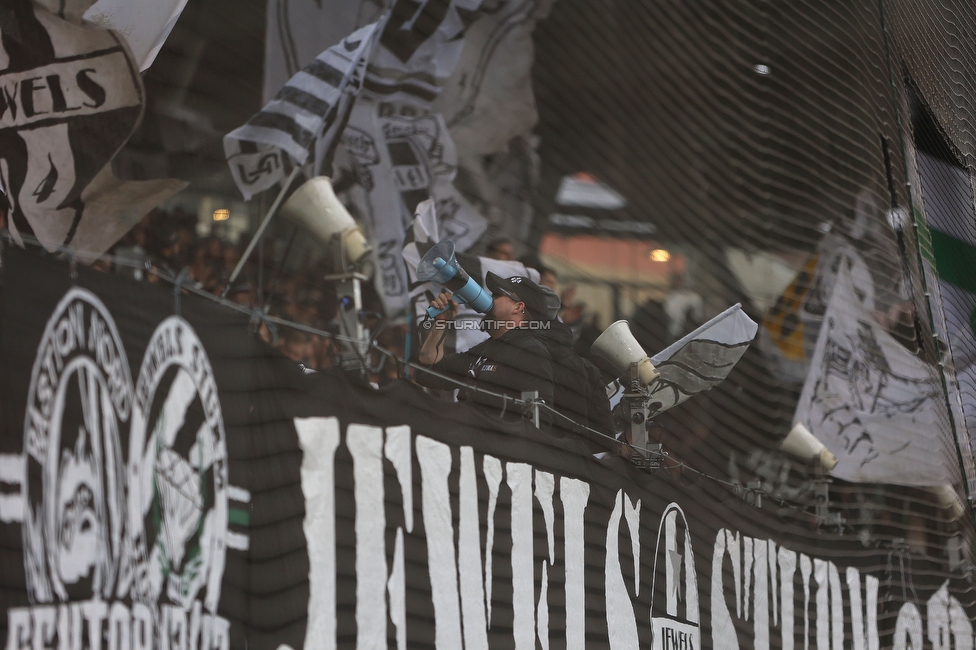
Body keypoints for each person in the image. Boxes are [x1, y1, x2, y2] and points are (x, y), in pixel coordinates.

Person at [416, 272, 555, 428]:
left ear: (518, 307)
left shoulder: (530, 352)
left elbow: (538, 422)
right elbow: (427, 373)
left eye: (496, 295)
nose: (489, 298)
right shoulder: (488, 348)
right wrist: (440, 324)